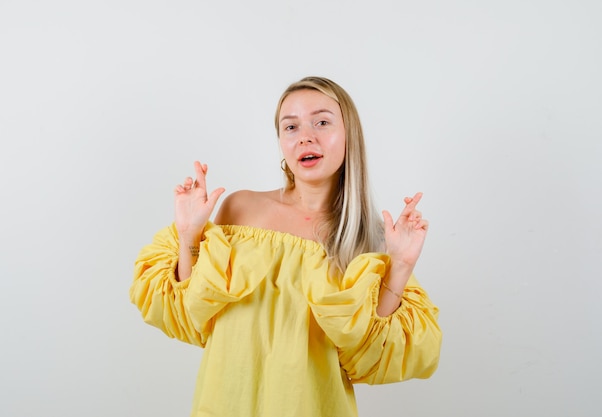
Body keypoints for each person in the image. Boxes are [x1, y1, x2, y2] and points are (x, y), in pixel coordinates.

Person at [130, 76, 442, 416]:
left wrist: (400, 267)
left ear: (349, 134)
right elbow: (192, 316)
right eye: (290, 127)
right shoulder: (241, 209)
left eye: (322, 122)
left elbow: (369, 357)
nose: (305, 136)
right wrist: (190, 236)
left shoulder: (371, 239)